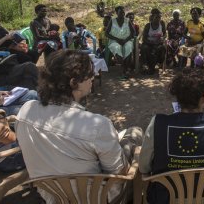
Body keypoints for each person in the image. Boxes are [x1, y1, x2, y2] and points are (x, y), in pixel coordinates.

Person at [16, 50, 142, 203]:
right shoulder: (97, 125)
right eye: (90, 74)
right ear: (73, 82)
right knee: (135, 132)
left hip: (52, 195)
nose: (93, 77)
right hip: (96, 197)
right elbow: (120, 172)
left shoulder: (25, 111)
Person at [139, 69, 204, 204]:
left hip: (167, 198)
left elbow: (144, 167)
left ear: (178, 98)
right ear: (203, 99)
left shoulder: (157, 124)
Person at [106, 6, 136, 77]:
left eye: (123, 12)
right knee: (117, 48)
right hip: (114, 41)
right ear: (116, 13)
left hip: (126, 40)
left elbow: (133, 32)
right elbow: (106, 33)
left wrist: (126, 40)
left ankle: (124, 70)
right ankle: (124, 68)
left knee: (128, 47)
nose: (122, 14)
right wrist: (116, 39)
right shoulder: (112, 21)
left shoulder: (127, 20)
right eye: (120, 12)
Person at [140, 10, 167, 75]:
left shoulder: (162, 24)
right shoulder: (148, 26)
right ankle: (145, 65)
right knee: (145, 48)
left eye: (159, 18)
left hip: (158, 43)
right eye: (156, 18)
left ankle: (158, 64)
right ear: (152, 18)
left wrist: (162, 38)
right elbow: (144, 38)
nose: (158, 19)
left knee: (162, 48)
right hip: (148, 43)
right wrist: (151, 42)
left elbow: (165, 34)